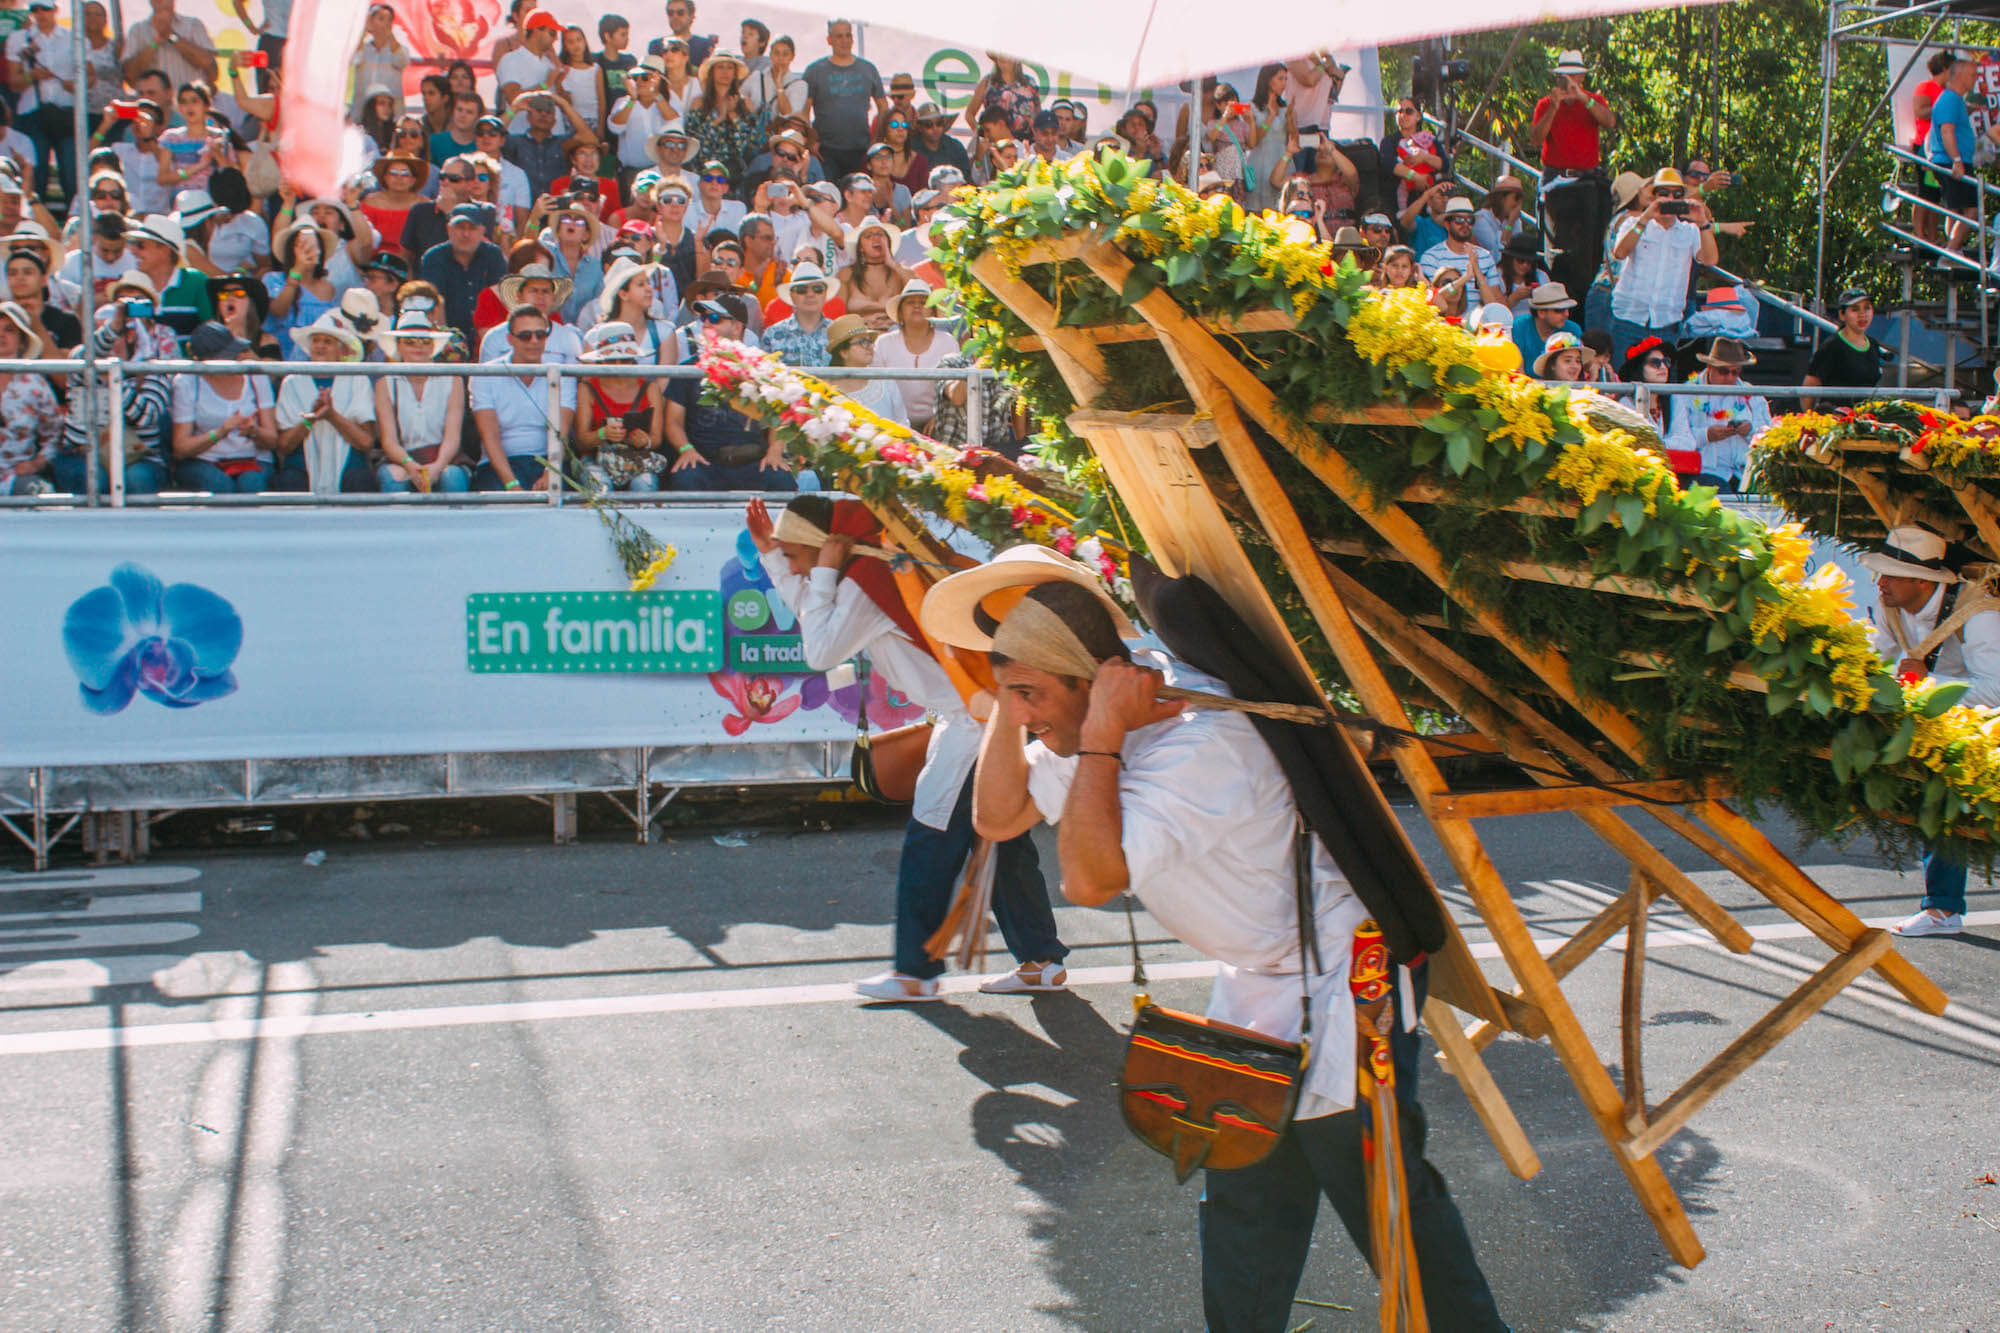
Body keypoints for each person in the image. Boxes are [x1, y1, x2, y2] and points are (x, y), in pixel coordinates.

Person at [940, 555, 1508, 1332]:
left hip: (1343, 980)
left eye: (1035, 695)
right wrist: (1013, 700)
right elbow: (996, 815)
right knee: (1243, 1202)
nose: (1029, 715)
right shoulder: (1094, 710)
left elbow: (1089, 877)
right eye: (1018, 696)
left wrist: (1100, 730)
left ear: (1093, 680)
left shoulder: (1200, 744)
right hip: (1259, 983)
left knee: (1392, 1211)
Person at [746, 496, 1069, 1000]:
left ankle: (915, 974)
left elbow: (820, 649)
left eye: (791, 554)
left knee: (932, 838)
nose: (790, 564)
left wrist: (823, 572)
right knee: (1001, 839)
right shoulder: (867, 574)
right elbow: (819, 619)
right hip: (985, 717)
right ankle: (1041, 961)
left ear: (822, 546)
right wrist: (779, 558)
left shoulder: (865, 582)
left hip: (976, 723)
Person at [1860, 524, 2000, 939]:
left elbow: (1996, 688)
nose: (1880, 583)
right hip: (1943, 719)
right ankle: (1942, 908)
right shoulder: (1891, 607)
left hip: (1987, 723)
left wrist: (1926, 686)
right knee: (1938, 807)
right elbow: (1877, 659)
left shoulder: (1980, 616)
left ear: (1923, 582)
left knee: (1953, 806)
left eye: (1890, 575)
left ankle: (1941, 907)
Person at [665, 291, 791, 489]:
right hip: (705, 462)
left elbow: (780, 417)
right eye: (704, 317)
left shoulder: (763, 368)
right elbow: (673, 422)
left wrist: (775, 450)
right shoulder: (688, 369)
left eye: (714, 318)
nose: (706, 323)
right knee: (686, 479)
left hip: (753, 462)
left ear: (737, 327)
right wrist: (686, 450)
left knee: (781, 480)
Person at [53, 301, 172, 495]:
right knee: (93, 480)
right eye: (97, 334)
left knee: (137, 479)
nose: (102, 341)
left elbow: (145, 417)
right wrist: (113, 330)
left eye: (110, 334)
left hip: (137, 456)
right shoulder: (80, 361)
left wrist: (113, 380)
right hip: (80, 453)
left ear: (131, 335)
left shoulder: (152, 368)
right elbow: (90, 352)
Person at [1608, 167, 1717, 358]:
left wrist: (1703, 223)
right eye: (1664, 193)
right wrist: (1646, 217)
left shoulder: (1690, 231)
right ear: (1653, 197)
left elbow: (1710, 260)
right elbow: (1620, 252)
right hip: (1629, 319)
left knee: (1661, 384)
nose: (1670, 199)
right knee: (1621, 382)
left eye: (1677, 195)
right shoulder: (1633, 223)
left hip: (1667, 323)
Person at [472, 302, 575, 491]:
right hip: (499, 465)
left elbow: (562, 432)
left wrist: (549, 473)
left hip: (549, 460)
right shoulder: (485, 373)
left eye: (541, 335)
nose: (534, 341)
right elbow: (490, 436)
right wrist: (511, 484)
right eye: (525, 336)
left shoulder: (561, 373)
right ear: (510, 339)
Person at [274, 311, 375, 492]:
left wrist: (332, 416)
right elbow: (283, 446)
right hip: (301, 469)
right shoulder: (292, 382)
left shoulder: (358, 380)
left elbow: (366, 442)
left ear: (342, 350)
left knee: (360, 481)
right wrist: (310, 419)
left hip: (349, 470)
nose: (320, 346)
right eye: (316, 340)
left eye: (327, 341)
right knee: (289, 481)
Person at [371, 308, 466, 492]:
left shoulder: (453, 380)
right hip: (402, 458)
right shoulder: (385, 383)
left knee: (452, 478)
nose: (418, 347)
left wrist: (438, 466)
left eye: (424, 341)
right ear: (399, 346)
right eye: (410, 342)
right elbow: (389, 440)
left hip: (443, 457)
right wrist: (409, 465)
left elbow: (452, 437)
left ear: (432, 346)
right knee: (395, 481)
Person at [572, 320, 666, 491]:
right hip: (595, 459)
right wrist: (602, 434)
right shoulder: (587, 388)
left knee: (645, 486)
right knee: (601, 488)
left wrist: (646, 441)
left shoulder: (650, 388)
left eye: (624, 359)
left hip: (637, 459)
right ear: (600, 361)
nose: (618, 366)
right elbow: (581, 442)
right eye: (611, 360)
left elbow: (657, 439)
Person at [1665, 337, 1769, 491]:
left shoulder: (1752, 394)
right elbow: (1678, 438)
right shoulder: (1685, 393)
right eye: (1724, 371)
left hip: (1744, 472)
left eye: (1735, 372)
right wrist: (1706, 435)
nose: (1730, 378)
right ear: (1709, 367)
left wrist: (1750, 431)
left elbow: (1767, 435)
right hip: (1705, 472)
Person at [1925, 53, 2000, 254]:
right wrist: (1957, 160)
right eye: (1973, 74)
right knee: (1972, 211)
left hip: (1955, 160)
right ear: (1959, 75)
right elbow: (1946, 130)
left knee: (1956, 209)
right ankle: (1950, 252)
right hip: (1952, 161)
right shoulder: (1949, 99)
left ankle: (1953, 250)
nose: (1976, 78)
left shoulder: (1954, 100)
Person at [8, 0, 76, 206]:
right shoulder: (19, 38)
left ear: (55, 10)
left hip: (66, 112)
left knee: (71, 172)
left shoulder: (73, 38)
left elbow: (88, 78)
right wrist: (33, 76)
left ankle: (75, 220)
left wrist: (74, 85)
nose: (40, 13)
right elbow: (13, 82)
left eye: (44, 8)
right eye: (34, 9)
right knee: (35, 174)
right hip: (32, 113)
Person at [801, 18, 885, 180]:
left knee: (859, 198)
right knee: (829, 198)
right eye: (839, 36)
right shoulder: (815, 71)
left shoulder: (868, 69)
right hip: (826, 152)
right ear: (829, 40)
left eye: (848, 35)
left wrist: (876, 139)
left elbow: (883, 108)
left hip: (861, 150)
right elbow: (804, 111)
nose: (845, 40)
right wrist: (811, 140)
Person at [869, 277, 956, 431]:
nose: (917, 306)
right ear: (900, 312)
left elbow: (956, 389)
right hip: (892, 423)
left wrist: (940, 417)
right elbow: (876, 389)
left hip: (940, 424)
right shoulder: (883, 343)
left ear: (933, 311)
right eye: (910, 302)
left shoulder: (947, 342)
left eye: (923, 302)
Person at [419, 202, 506, 343]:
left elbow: (499, 300)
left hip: (486, 337)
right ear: (448, 229)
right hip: (447, 338)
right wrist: (446, 344)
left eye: (472, 228)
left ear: (482, 231)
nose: (466, 234)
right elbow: (434, 304)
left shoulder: (493, 255)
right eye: (460, 227)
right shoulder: (433, 257)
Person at [0, 300, 56, 494]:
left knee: (42, 494)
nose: (1, 335)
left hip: (17, 476)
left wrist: (36, 465)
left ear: (22, 340)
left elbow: (53, 435)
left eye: (9, 330)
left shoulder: (36, 384)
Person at [1529, 49, 1613, 173]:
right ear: (1557, 77)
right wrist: (1553, 108)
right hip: (1555, 175)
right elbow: (1535, 140)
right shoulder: (1546, 104)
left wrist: (1584, 99)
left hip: (1587, 176)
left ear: (1582, 77)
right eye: (1563, 76)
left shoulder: (1594, 100)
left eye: (1572, 75)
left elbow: (1610, 122)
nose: (1568, 80)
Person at [478, 260, 580, 360]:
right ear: (519, 296)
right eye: (533, 291)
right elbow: (488, 376)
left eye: (545, 291)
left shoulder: (568, 338)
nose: (540, 296)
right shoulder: (494, 338)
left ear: (553, 298)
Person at [820, 311, 904, 425]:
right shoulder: (825, 390)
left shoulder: (886, 381)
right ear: (843, 352)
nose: (869, 346)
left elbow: (902, 423)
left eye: (870, 341)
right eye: (862, 342)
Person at [1804, 288, 1888, 401]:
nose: (1862, 314)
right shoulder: (1831, 346)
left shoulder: (1873, 344)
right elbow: (1809, 387)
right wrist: (1811, 417)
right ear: (1842, 315)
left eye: (1867, 308)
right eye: (1855, 309)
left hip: (1865, 415)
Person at [1418, 197, 1503, 305]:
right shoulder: (1430, 258)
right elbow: (1432, 300)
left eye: (1470, 220)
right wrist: (1464, 278)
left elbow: (1493, 304)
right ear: (1447, 224)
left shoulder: (1485, 256)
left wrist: (1476, 269)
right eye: (1459, 220)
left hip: (1477, 320)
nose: (1465, 224)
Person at [836, 216, 912, 330]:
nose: (875, 238)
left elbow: (922, 292)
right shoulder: (846, 274)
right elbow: (838, 316)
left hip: (895, 335)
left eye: (880, 235)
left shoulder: (899, 272)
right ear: (860, 247)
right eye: (868, 236)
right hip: (859, 335)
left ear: (888, 241)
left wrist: (893, 264)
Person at [123, 0, 216, 91]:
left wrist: (173, 37)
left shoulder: (193, 25)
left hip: (188, 102)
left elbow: (207, 63)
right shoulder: (137, 30)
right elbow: (130, 75)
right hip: (154, 104)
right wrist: (154, 44)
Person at [1381, 96, 1440, 211]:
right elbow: (1390, 164)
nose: (1403, 115)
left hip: (1425, 196)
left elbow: (1439, 166)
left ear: (1418, 116)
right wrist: (1414, 177)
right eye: (1399, 111)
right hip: (1396, 200)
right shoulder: (1389, 141)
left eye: (1408, 111)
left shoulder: (1427, 140)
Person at [348, 4, 407, 119]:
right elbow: (354, 59)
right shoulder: (362, 48)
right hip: (363, 113)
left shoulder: (398, 49)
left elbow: (402, 61)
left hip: (391, 116)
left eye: (389, 20)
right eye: (380, 19)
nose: (385, 24)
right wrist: (364, 29)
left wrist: (389, 34)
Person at [1510, 281, 1581, 367]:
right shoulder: (1519, 327)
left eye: (1567, 309)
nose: (1566, 314)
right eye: (1559, 310)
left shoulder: (1573, 329)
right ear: (1541, 313)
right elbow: (1517, 369)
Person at [555, 24, 606, 135]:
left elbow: (601, 101)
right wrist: (559, 82)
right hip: (571, 120)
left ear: (584, 41)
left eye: (579, 40)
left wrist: (601, 128)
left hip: (593, 120)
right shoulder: (563, 69)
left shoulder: (595, 69)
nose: (576, 45)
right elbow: (567, 101)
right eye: (570, 42)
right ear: (565, 46)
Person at [746, 32, 804, 119]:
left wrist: (779, 88)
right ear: (770, 55)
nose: (780, 58)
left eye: (785, 54)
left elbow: (788, 115)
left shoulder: (799, 85)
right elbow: (740, 95)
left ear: (792, 57)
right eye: (776, 53)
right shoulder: (757, 77)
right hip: (756, 131)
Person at [1473, 176, 1531, 258]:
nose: (1518, 205)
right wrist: (1510, 224)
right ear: (1501, 198)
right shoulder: (1481, 219)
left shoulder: (1516, 221)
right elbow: (1498, 256)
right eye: (1516, 198)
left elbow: (1518, 252)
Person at [649, 0, 713, 67]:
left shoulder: (704, 46)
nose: (675, 17)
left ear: (691, 16)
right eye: (670, 13)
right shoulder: (657, 46)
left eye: (680, 13)